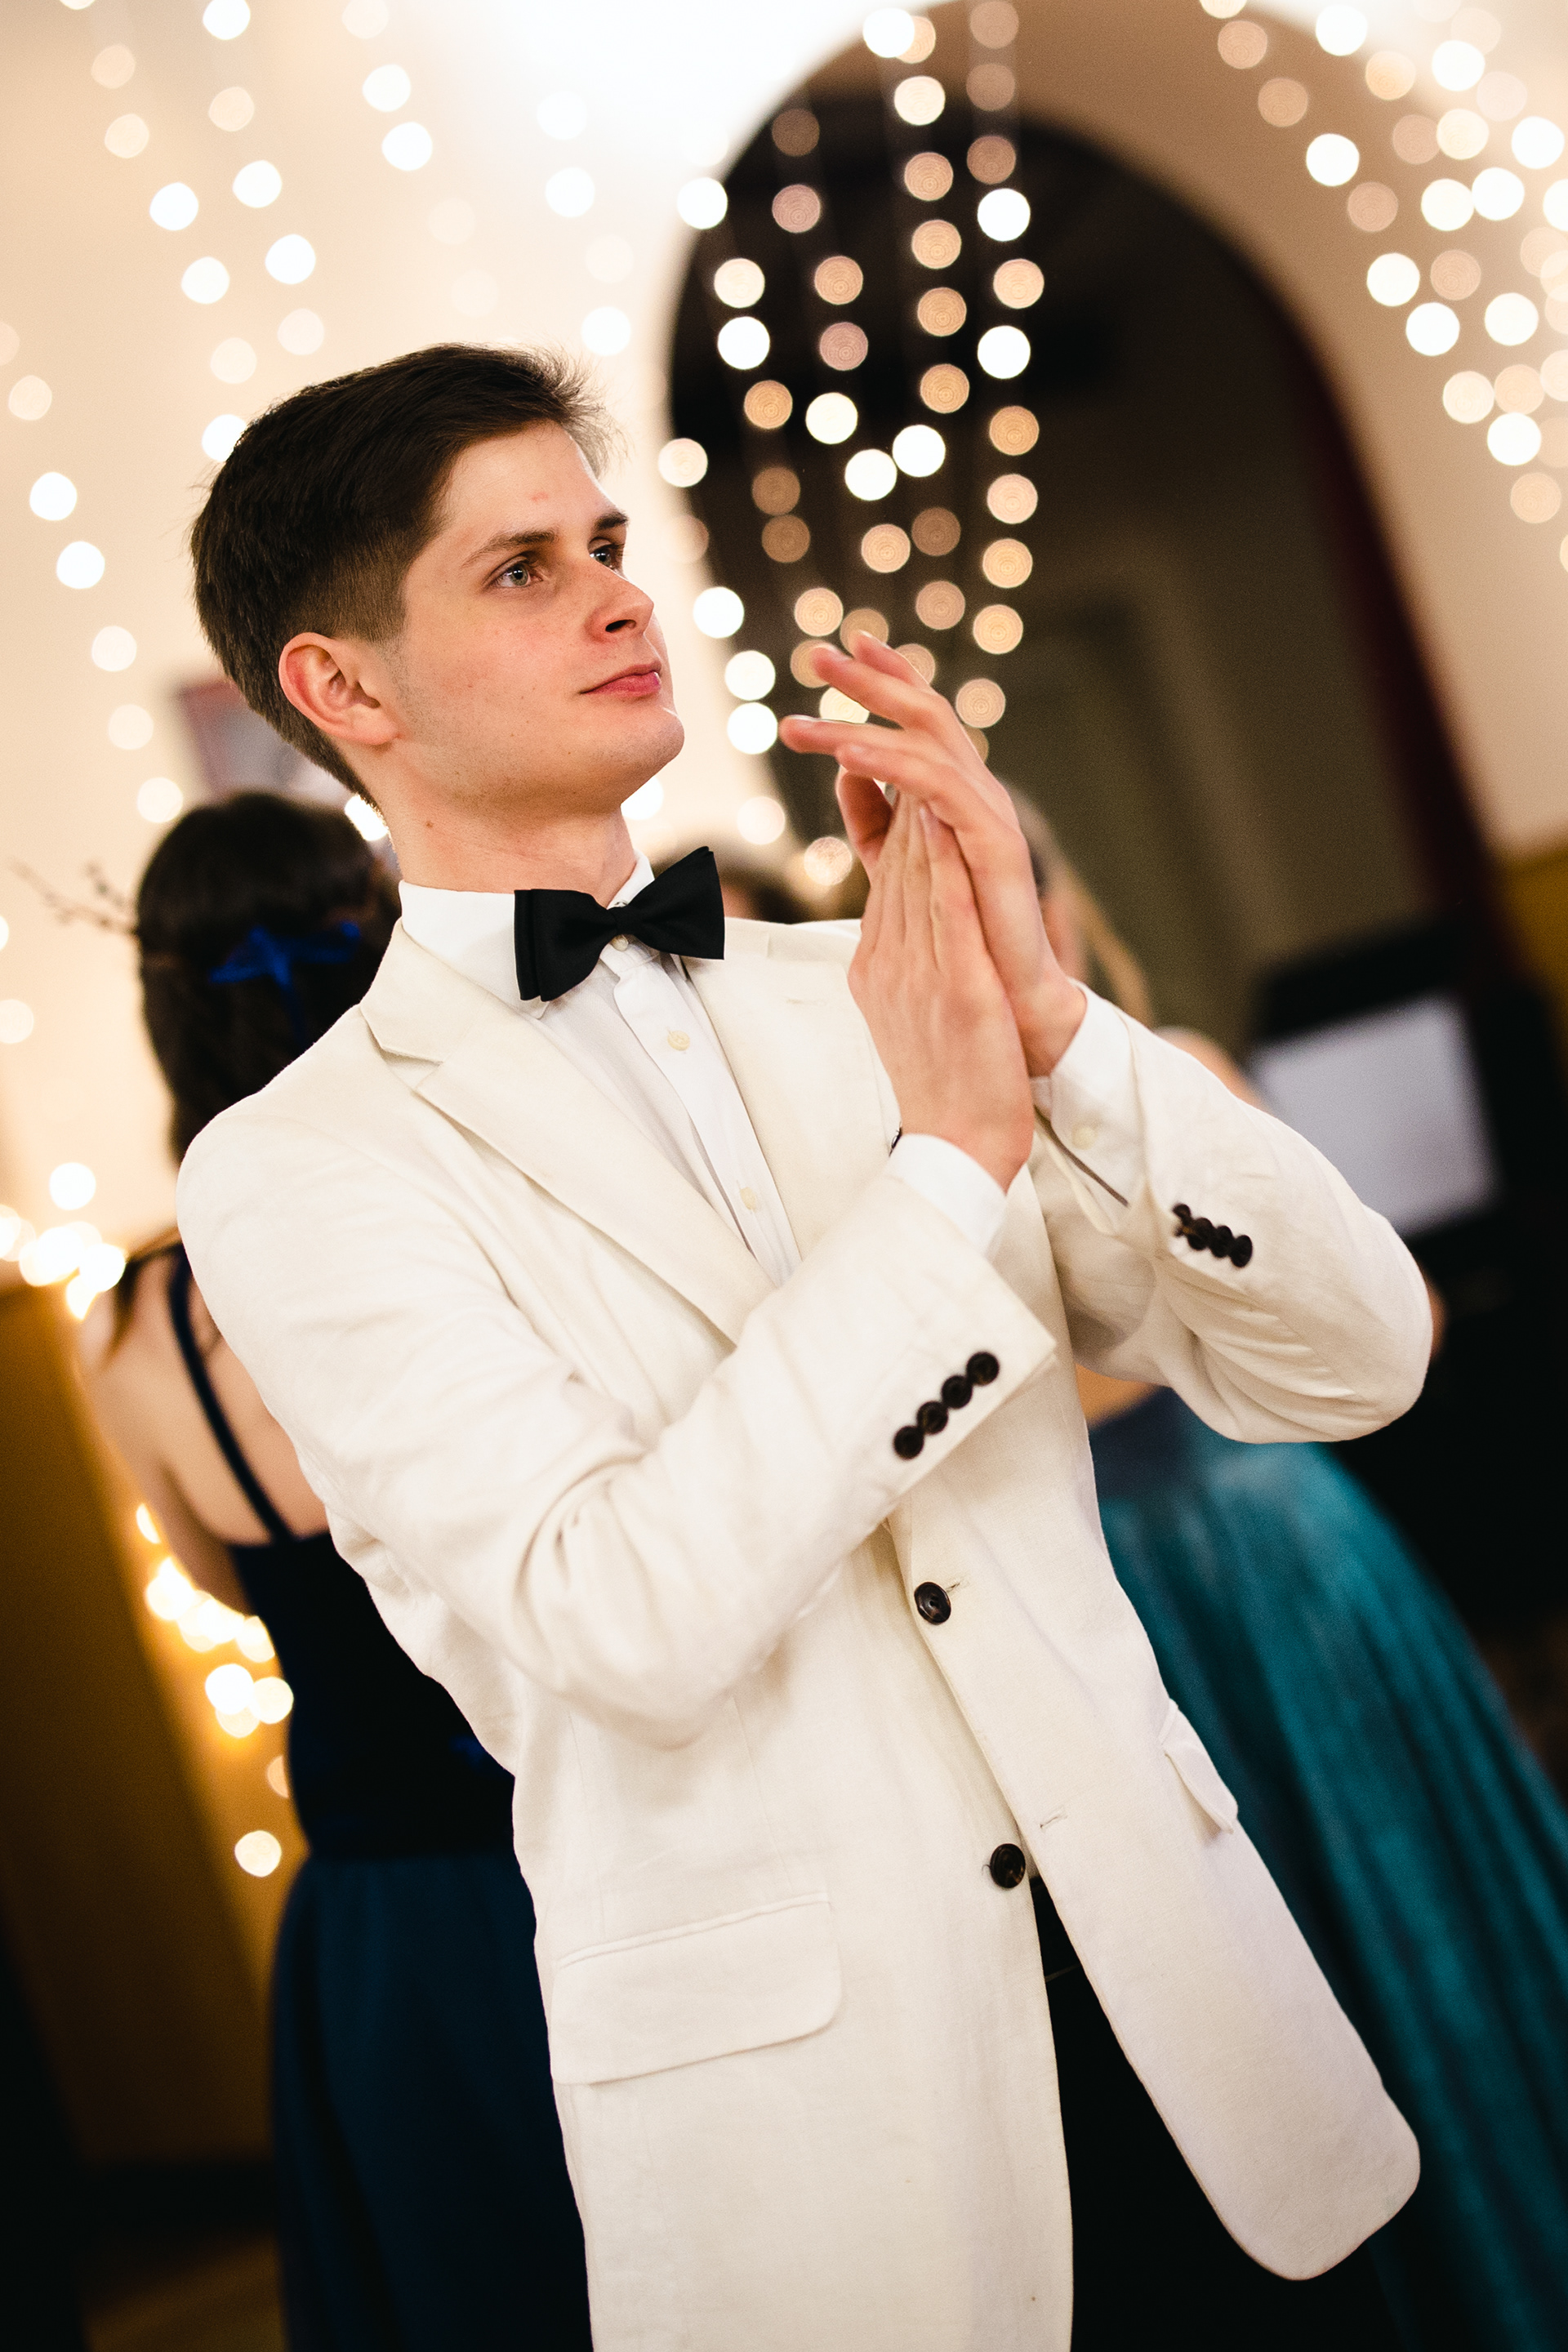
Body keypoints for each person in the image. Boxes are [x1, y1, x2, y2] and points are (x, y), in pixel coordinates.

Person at [175, 342, 1434, 2352]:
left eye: (607, 543)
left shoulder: (874, 990)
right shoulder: (297, 1167)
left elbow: (1356, 1361)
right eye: (521, 569)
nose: (617, 597)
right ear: (345, 689)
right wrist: (943, 1173)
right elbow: (620, 1620)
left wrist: (1059, 1024)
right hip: (847, 2170)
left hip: (1211, 2067)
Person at [1012, 808, 1568, 2351]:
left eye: (1027, 878)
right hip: (1124, 1606)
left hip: (1281, 1561)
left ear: (1066, 903)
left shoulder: (1170, 1072)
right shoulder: (911, 1148)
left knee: (1415, 1913)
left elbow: (1398, 1327)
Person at [80, 791, 592, 2351]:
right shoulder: (491, 1208)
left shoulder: (136, 1333)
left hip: (388, 1918)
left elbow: (229, 1586)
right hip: (582, 1850)